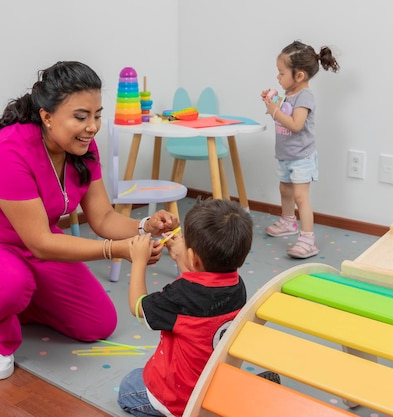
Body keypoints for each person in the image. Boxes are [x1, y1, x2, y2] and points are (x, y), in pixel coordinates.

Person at [0, 61, 178, 381]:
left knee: (98, 324)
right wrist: (118, 249)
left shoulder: (83, 147)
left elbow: (104, 217)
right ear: (47, 116)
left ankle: (11, 300)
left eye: (96, 115)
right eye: (81, 117)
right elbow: (41, 241)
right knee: (9, 284)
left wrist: (144, 227)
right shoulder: (9, 149)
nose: (92, 127)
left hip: (35, 248)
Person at [117, 199, 253, 417]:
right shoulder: (238, 285)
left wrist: (138, 261)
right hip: (213, 388)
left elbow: (138, 306)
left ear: (193, 257)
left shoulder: (178, 295)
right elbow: (200, 287)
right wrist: (182, 255)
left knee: (129, 386)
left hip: (180, 398)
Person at [261, 40, 340, 259]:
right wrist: (273, 103)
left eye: (281, 73)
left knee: (300, 196)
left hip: (301, 156)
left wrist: (275, 112)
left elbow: (295, 124)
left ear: (299, 76)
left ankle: (308, 240)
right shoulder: (289, 93)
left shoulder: (305, 97)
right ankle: (288, 222)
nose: (278, 77)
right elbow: (283, 113)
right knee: (285, 190)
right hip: (286, 154)